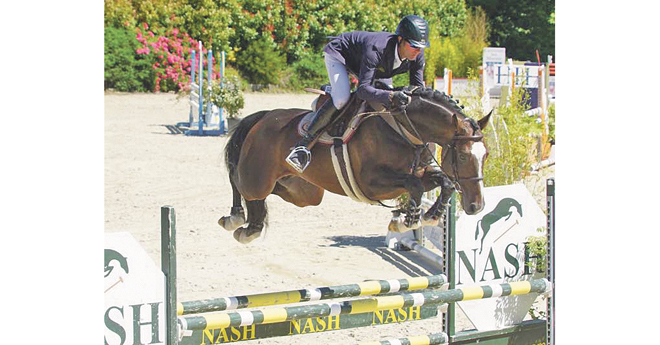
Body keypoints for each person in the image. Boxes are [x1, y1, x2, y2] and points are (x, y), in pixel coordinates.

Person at [286, 14, 430, 173]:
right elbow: (363, 90)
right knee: (342, 99)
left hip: (375, 67)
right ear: (400, 39)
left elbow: (418, 90)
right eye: (414, 46)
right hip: (340, 55)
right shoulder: (377, 49)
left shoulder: (417, 55)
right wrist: (390, 95)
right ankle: (303, 146)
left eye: (420, 47)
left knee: (387, 101)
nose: (418, 51)